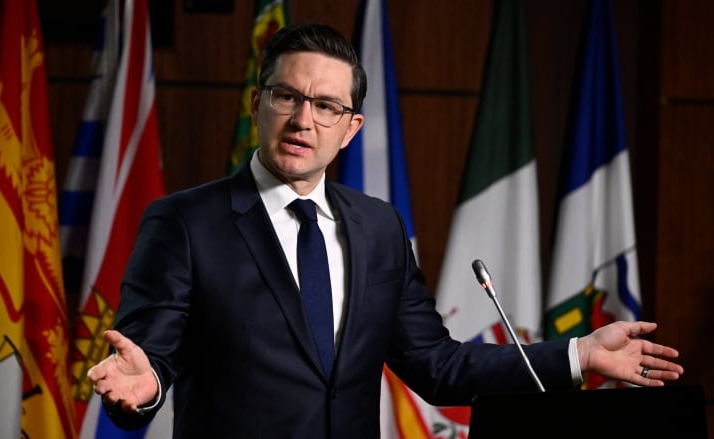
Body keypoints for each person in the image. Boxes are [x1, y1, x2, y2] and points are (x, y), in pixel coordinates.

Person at [88, 23, 683, 438]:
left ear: (350, 128)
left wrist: (578, 354)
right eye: (287, 96)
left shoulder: (377, 227)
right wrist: (147, 389)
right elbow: (147, 361)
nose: (302, 119)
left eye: (325, 106)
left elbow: (436, 366)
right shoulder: (185, 223)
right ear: (256, 103)